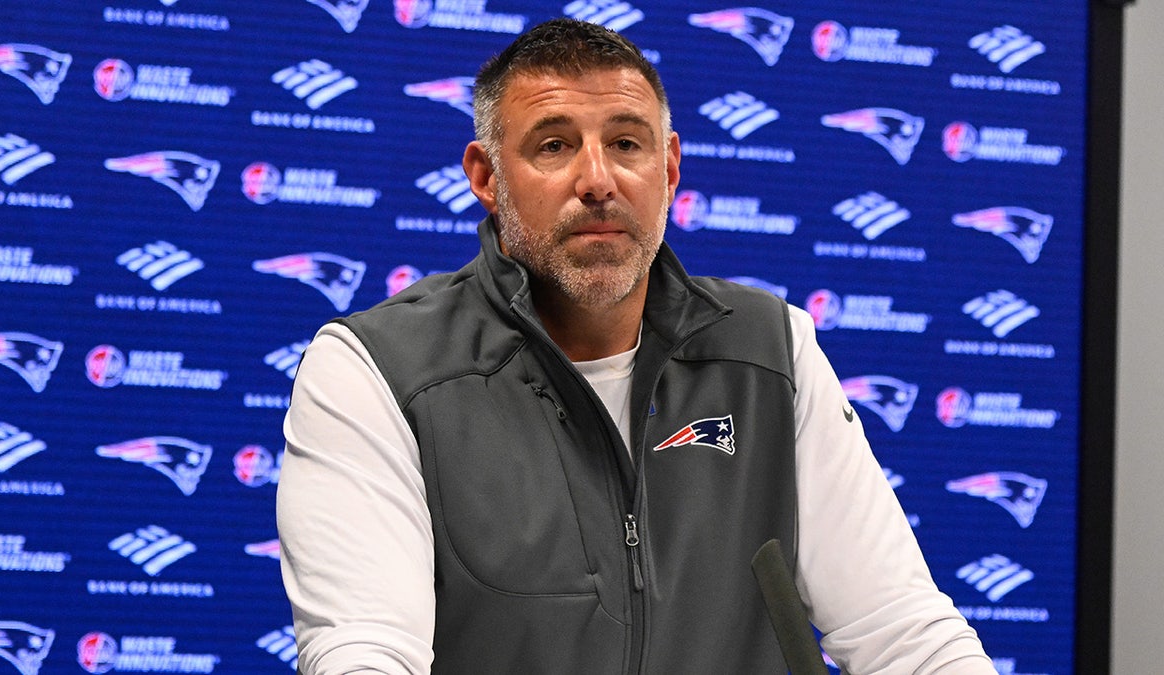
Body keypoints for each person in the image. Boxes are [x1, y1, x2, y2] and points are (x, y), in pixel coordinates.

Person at [277, 18, 996, 674]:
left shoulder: (770, 350)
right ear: (485, 177)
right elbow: (363, 650)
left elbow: (904, 630)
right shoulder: (377, 369)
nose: (598, 180)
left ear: (670, 168)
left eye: (626, 142)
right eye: (554, 145)